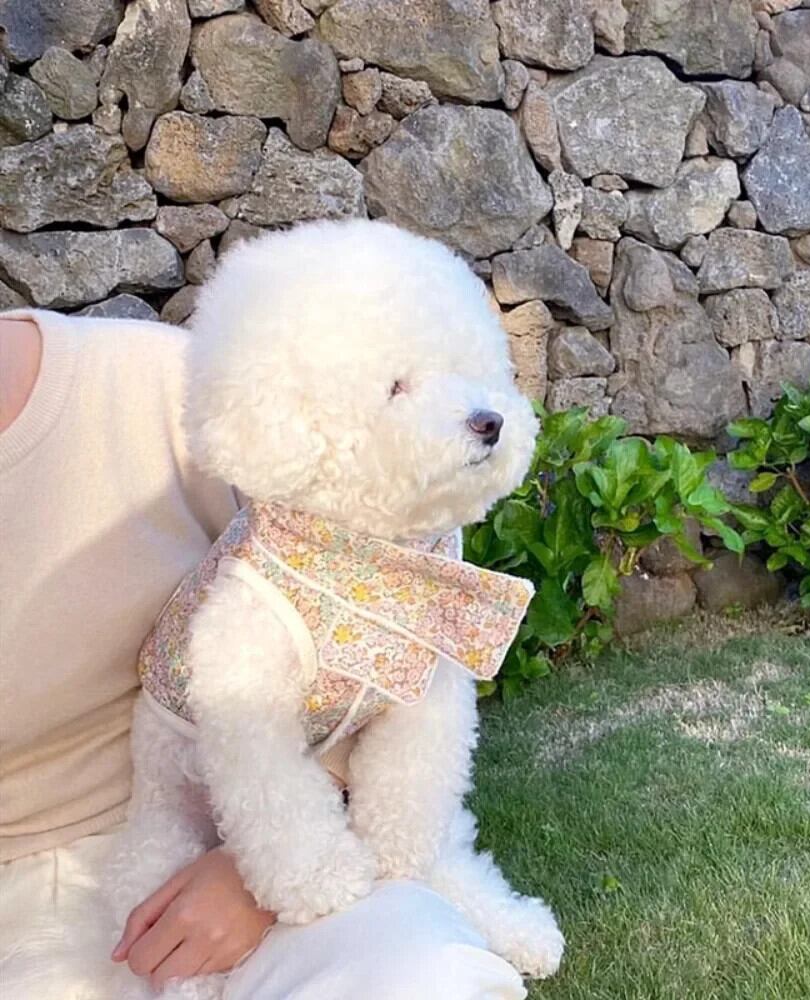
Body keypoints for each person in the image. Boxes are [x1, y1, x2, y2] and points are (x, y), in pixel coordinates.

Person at [0, 308, 528, 1000]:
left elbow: (384, 580)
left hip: (253, 821)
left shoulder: (153, 384)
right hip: (39, 897)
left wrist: (262, 865)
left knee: (429, 976)